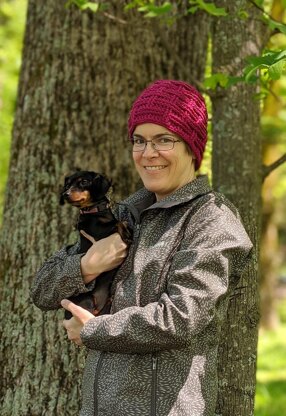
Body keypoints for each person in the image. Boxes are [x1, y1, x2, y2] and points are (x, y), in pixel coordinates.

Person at [31, 80, 253, 416]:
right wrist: (86, 266)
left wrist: (94, 330)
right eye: (140, 140)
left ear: (192, 147)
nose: (148, 154)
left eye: (164, 139)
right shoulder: (124, 216)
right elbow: (42, 291)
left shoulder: (213, 221)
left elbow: (180, 318)